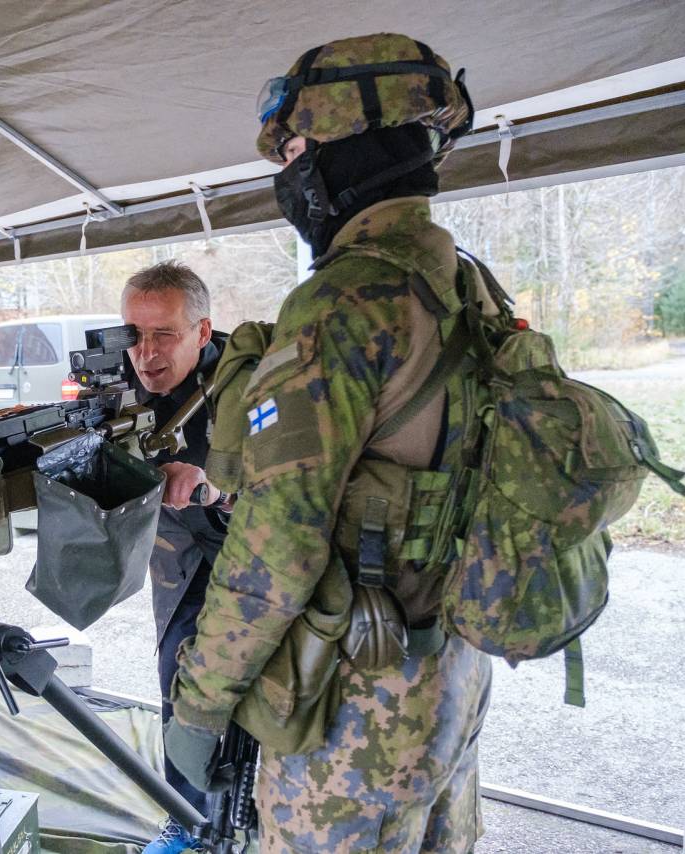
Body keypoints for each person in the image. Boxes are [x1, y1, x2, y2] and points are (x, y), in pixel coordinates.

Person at [166, 34, 493, 853]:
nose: (288, 175)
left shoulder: (343, 304)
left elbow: (278, 543)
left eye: (296, 152)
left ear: (349, 150)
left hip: (354, 702)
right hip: (450, 671)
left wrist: (201, 702)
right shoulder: (466, 283)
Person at [120, 262, 230, 854]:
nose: (146, 353)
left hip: (254, 555)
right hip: (178, 558)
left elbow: (293, 490)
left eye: (164, 334)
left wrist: (213, 486)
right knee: (179, 683)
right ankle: (187, 823)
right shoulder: (118, 376)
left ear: (202, 331)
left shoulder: (248, 384)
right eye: (134, 334)